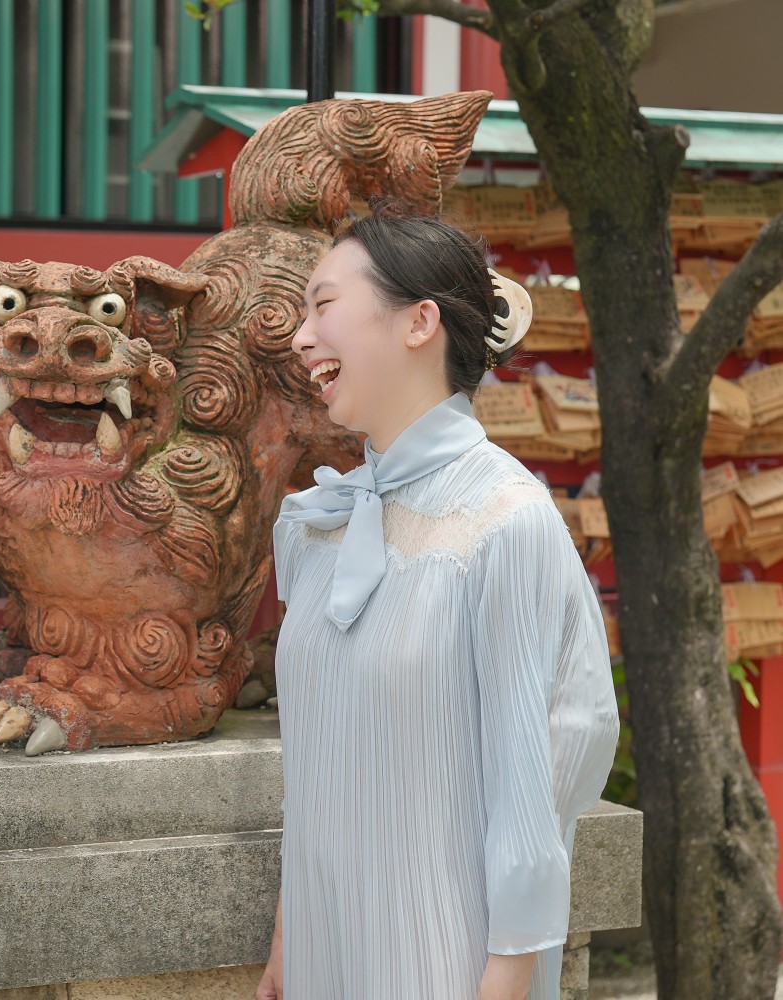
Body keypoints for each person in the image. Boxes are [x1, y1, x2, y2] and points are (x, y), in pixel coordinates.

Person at [259, 213, 619, 1000]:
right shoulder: (321, 524)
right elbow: (314, 765)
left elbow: (533, 785)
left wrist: (504, 981)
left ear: (420, 321)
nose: (300, 336)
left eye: (323, 305)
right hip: (326, 944)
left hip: (444, 956)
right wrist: (290, 933)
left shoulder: (504, 519)